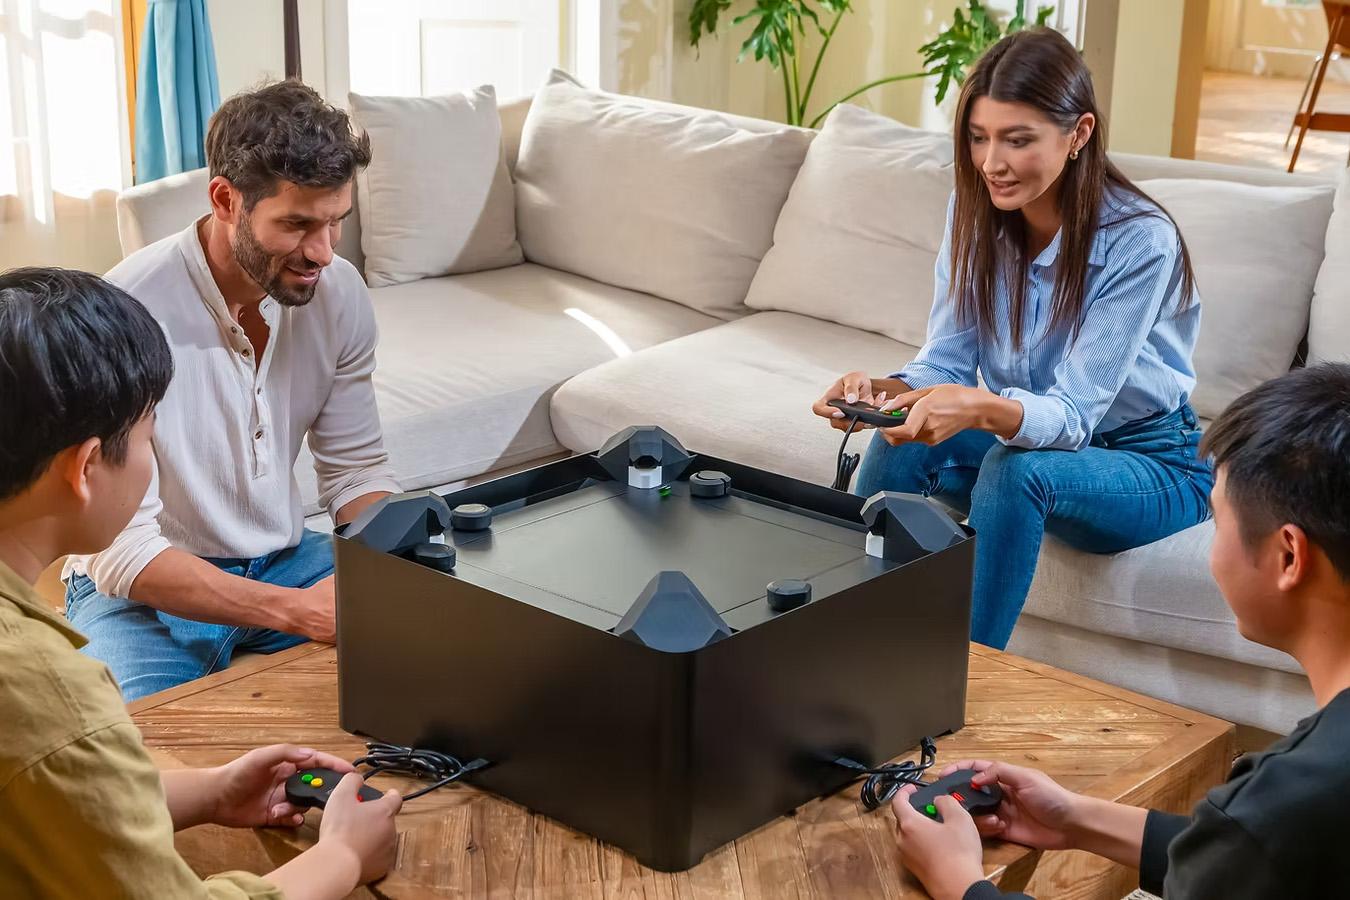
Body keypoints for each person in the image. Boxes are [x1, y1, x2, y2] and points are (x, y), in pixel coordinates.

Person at [0, 267, 401, 898]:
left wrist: (213, 788)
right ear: (83, 468)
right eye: (148, 436)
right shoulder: (53, 697)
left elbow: (48, 786)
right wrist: (343, 857)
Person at [812, 28, 1212, 650]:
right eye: (979, 137)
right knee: (900, 442)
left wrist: (976, 407)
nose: (991, 162)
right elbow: (945, 359)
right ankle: (851, 644)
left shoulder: (1140, 240)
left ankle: (962, 680)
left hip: (1149, 461)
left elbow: (1075, 415)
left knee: (1015, 469)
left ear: (1078, 134)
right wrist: (882, 392)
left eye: (1017, 139)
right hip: (1030, 439)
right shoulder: (972, 212)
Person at [889, 363, 1350, 900]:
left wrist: (961, 884)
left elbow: (1255, 843)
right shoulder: (1290, 810)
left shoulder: (1281, 803)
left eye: (1217, 521)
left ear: (1288, 556)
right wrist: (1076, 819)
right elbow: (1259, 854)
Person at [64, 80, 402, 700]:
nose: (323, 253)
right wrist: (296, 613)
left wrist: (401, 549)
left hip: (288, 558)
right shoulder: (128, 310)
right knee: (134, 748)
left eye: (335, 224)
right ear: (225, 199)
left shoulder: (340, 292)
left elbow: (354, 471)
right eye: (298, 225)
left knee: (452, 643)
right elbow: (119, 551)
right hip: (145, 587)